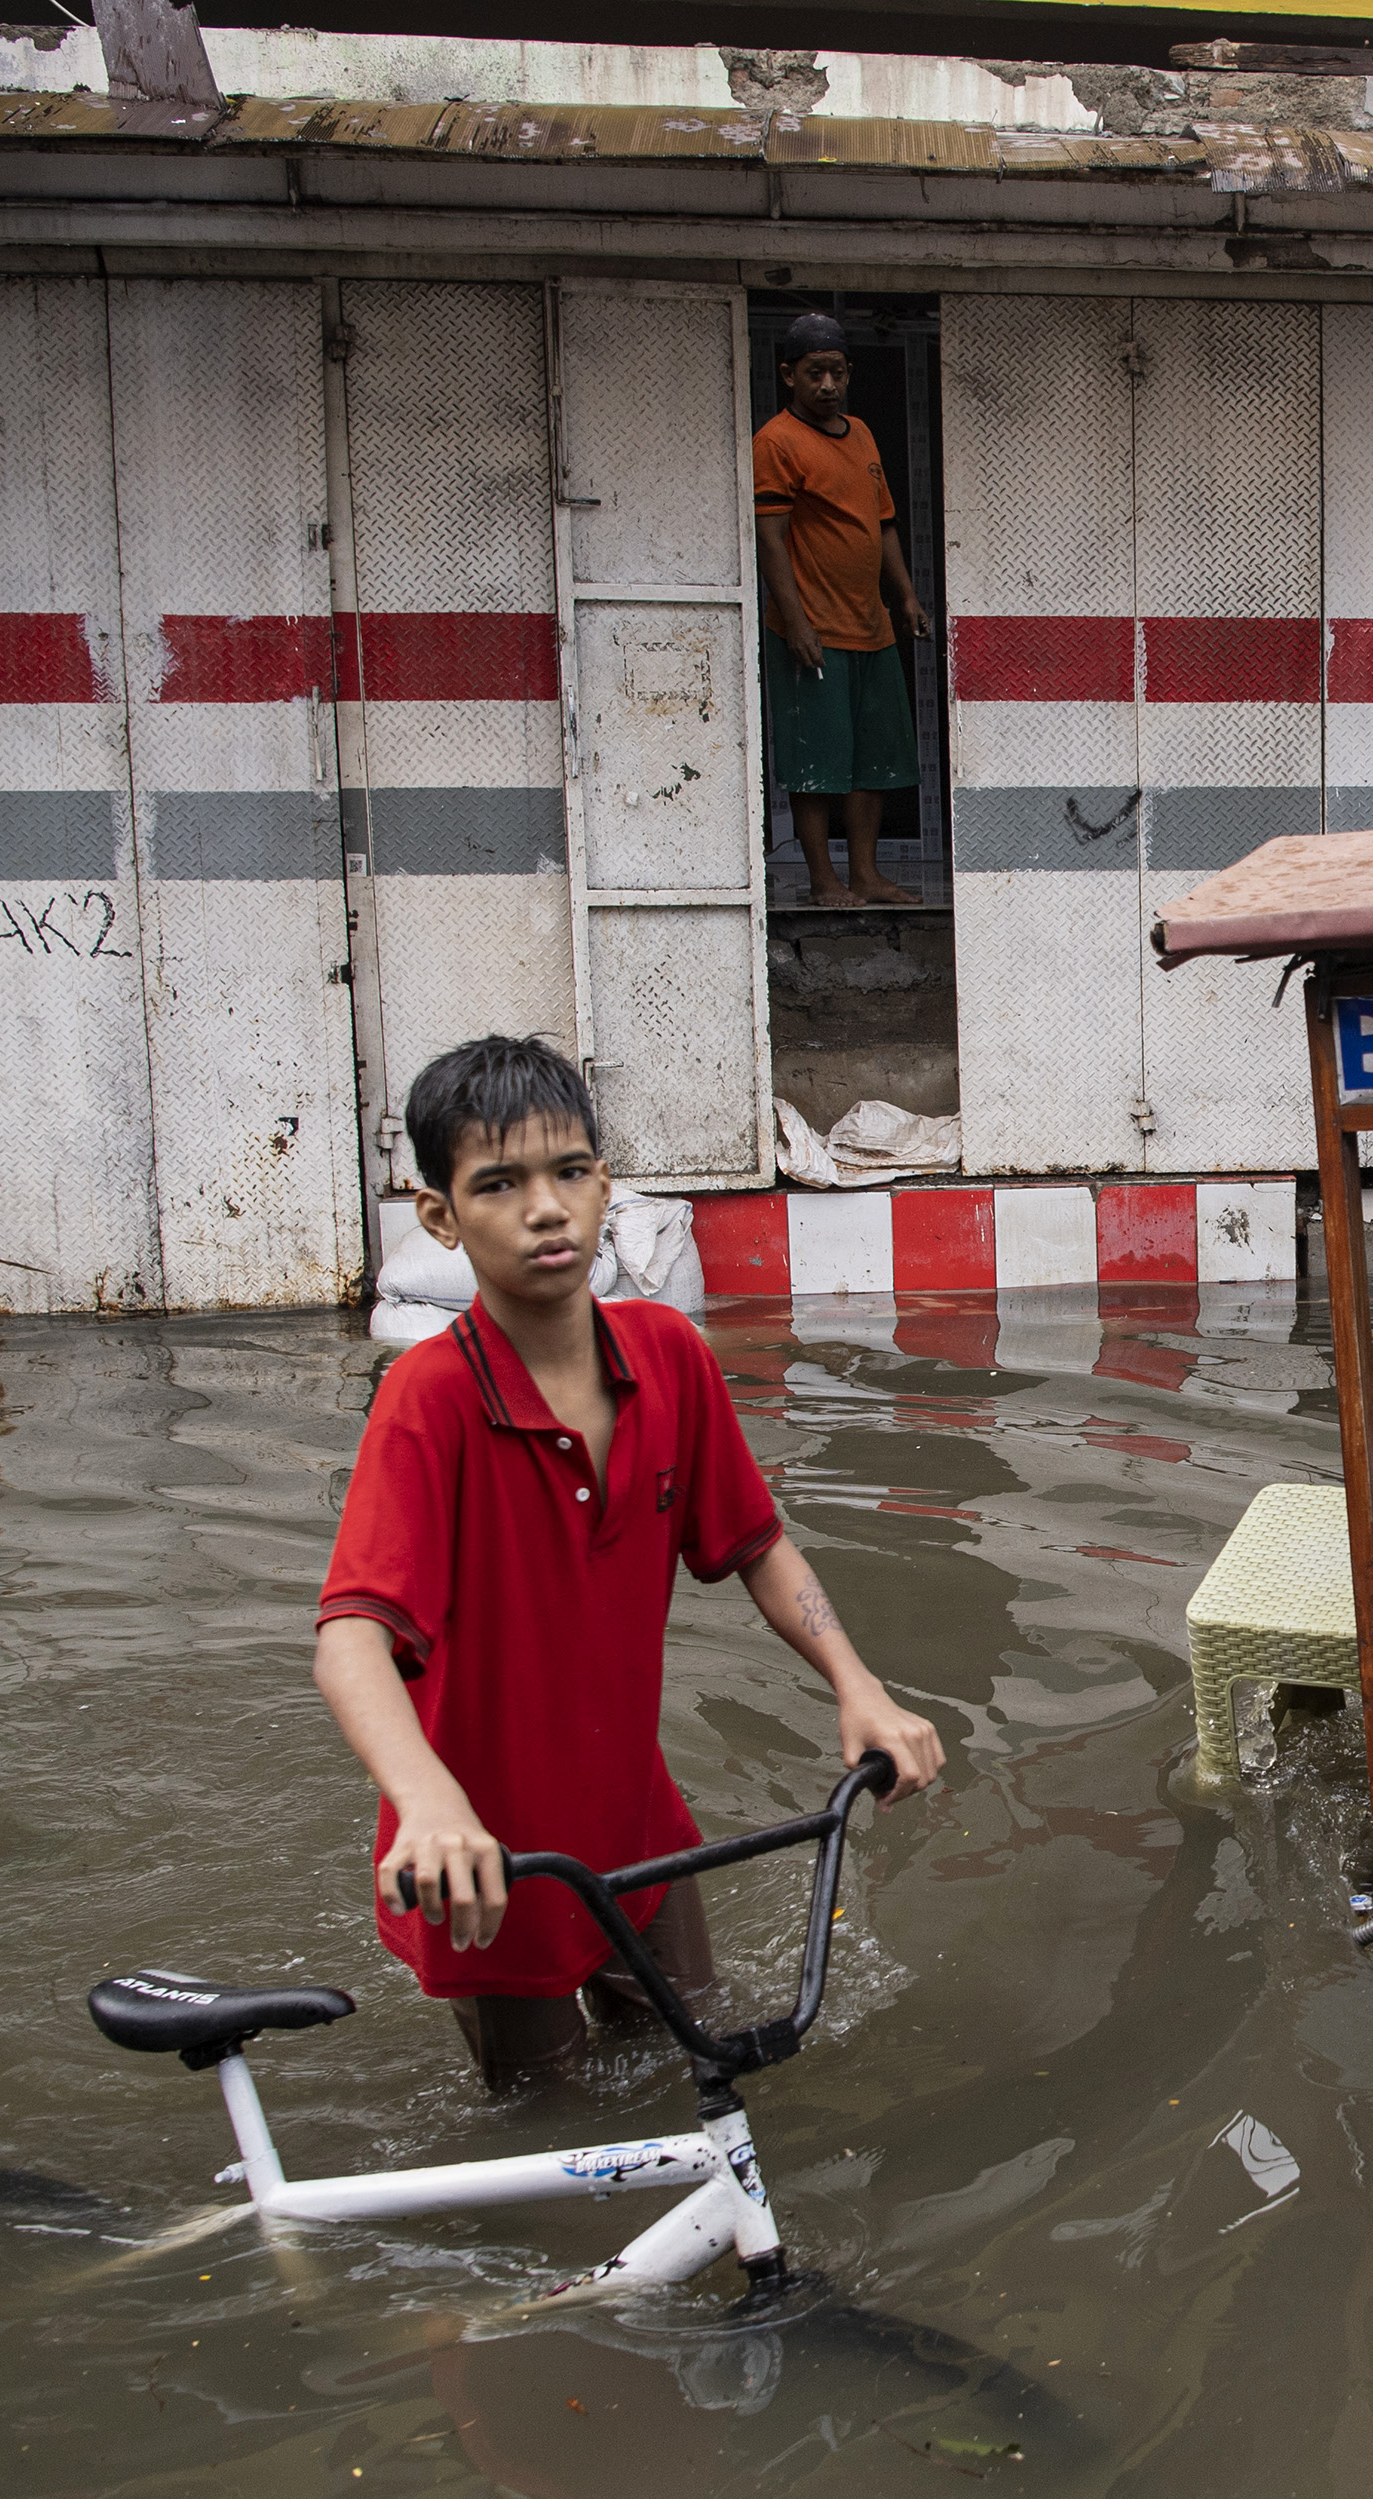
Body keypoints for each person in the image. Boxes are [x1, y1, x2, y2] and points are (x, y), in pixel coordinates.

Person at [314, 1034, 942, 2083]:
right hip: (487, 1861)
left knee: (707, 2063)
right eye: (499, 1184)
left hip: (640, 1828)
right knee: (552, 2117)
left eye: (569, 1172)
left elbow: (757, 1546)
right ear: (440, 1217)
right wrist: (427, 1804)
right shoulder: (430, 1401)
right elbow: (350, 1639)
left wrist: (859, 1687)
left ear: (605, 1183)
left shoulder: (669, 1355)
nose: (545, 1209)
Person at [754, 310, 935, 908]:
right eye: (813, 373)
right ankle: (823, 881)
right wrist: (796, 620)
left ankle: (866, 874)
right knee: (817, 764)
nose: (827, 385)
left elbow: (882, 525)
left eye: (836, 372)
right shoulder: (776, 441)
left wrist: (904, 595)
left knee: (874, 761)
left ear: (849, 373)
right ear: (788, 375)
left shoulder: (861, 433)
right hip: (813, 630)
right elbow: (771, 539)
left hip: (870, 625)